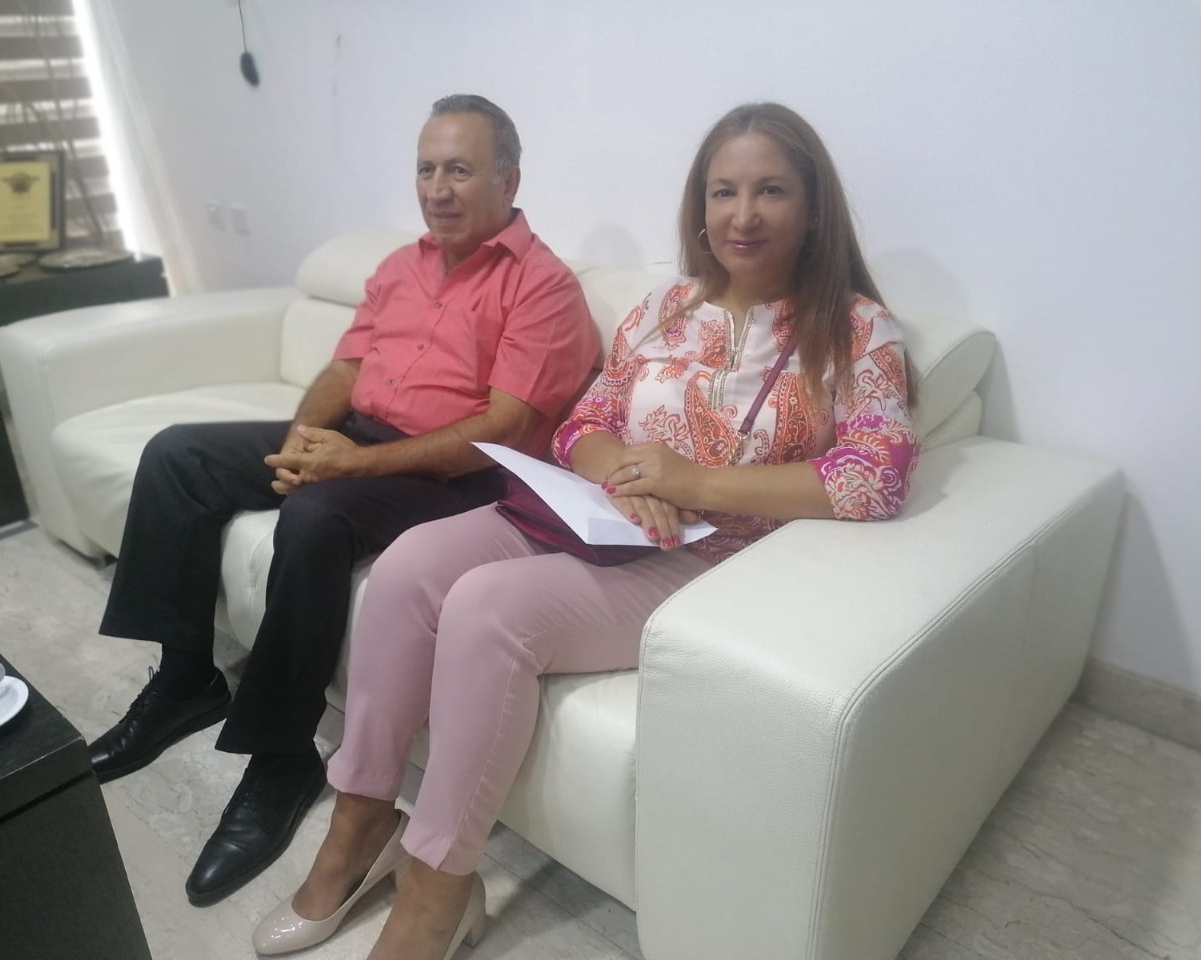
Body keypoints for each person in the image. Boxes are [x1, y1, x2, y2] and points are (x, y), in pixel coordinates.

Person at [250, 101, 920, 960]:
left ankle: (437, 889)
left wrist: (689, 482)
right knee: (410, 565)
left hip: (712, 555)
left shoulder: (857, 329)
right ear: (700, 205)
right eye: (723, 191)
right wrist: (626, 473)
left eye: (771, 191)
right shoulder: (664, 307)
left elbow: (874, 475)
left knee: (487, 609)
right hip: (600, 515)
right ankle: (359, 823)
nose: (742, 215)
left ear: (814, 207)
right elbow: (581, 424)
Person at [85, 93, 600, 906]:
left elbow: (500, 430)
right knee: (179, 454)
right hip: (364, 439)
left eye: (459, 171)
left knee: (316, 517)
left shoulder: (543, 287)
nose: (437, 190)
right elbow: (345, 370)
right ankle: (185, 679)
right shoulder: (402, 266)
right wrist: (304, 441)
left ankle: (282, 756)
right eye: (426, 170)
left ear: (509, 180)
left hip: (462, 479)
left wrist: (350, 468)